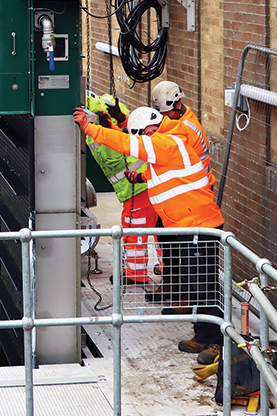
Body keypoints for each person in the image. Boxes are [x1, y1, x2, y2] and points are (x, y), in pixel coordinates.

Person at [73, 104, 225, 356]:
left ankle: (216, 341)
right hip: (186, 224)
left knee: (204, 285)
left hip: (198, 225)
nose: (141, 142)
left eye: (141, 136)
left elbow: (125, 144)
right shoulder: (169, 141)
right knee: (193, 282)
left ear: (150, 129)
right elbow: (167, 171)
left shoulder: (165, 142)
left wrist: (90, 129)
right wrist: (141, 178)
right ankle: (202, 335)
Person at [81, 93, 157, 283]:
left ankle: (136, 275)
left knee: (133, 232)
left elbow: (115, 150)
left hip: (137, 189)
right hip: (152, 183)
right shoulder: (113, 107)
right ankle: (166, 268)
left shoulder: (100, 133)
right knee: (160, 229)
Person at [152, 80, 215, 187]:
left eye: (167, 113)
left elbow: (168, 156)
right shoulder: (182, 114)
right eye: (162, 114)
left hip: (198, 184)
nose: (165, 118)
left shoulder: (186, 129)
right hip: (195, 180)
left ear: (179, 104)